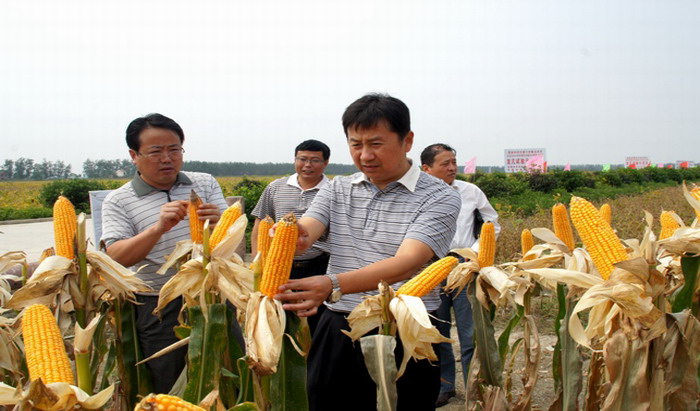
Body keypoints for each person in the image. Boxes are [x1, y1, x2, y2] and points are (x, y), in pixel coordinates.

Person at [275, 94, 462, 410]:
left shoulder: (440, 197)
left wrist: (333, 284)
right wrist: (293, 236)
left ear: (407, 141)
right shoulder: (338, 188)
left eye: (376, 144)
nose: (365, 155)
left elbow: (407, 263)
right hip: (340, 323)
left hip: (406, 329)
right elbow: (309, 227)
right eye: (355, 144)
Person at [101, 113, 229, 393]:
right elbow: (116, 257)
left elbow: (230, 234)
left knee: (227, 374)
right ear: (134, 155)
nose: (167, 159)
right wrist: (158, 228)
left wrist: (220, 222)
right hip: (159, 304)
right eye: (156, 152)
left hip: (213, 296)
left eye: (174, 150)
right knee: (170, 382)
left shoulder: (204, 182)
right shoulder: (118, 200)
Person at [420, 143, 500, 407]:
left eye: (454, 162)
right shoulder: (416, 194)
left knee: (470, 332)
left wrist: (474, 253)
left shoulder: (470, 191)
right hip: (430, 267)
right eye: (445, 163)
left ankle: (474, 386)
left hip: (465, 265)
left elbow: (492, 223)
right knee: (438, 331)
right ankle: (445, 386)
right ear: (426, 168)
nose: (452, 167)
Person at [251, 139, 331, 333]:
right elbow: (260, 225)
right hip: (278, 267)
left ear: (325, 163)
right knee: (279, 322)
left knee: (315, 323)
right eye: (302, 159)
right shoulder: (275, 187)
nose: (307, 165)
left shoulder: (333, 190)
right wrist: (257, 263)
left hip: (319, 266)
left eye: (315, 160)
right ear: (295, 160)